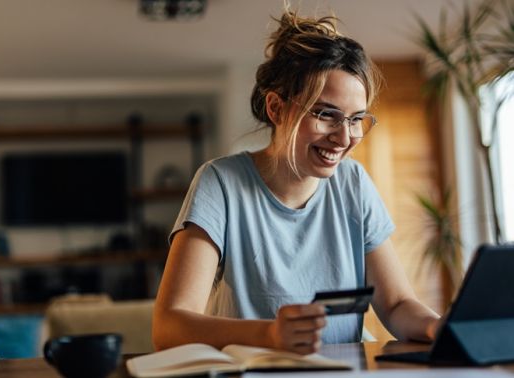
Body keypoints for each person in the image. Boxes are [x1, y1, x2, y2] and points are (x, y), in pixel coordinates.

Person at [152, 9, 440, 355]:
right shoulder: (220, 183)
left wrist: (437, 326)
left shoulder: (353, 183)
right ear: (276, 108)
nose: (344, 136)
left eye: (356, 119)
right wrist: (271, 336)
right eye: (326, 114)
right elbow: (169, 325)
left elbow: (395, 305)